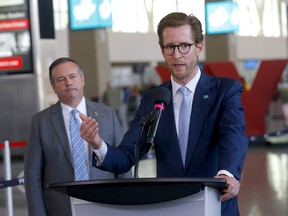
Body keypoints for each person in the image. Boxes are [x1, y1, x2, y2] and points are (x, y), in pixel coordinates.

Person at [80, 12, 248, 216]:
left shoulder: (225, 91)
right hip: (171, 207)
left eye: (184, 45)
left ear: (199, 47)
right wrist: (98, 144)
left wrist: (227, 174)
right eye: (170, 47)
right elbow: (127, 155)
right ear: (162, 50)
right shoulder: (153, 99)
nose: (177, 55)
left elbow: (233, 135)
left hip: (216, 203)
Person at [24, 57, 131, 216]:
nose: (68, 82)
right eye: (61, 79)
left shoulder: (107, 115)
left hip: (106, 206)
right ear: (53, 87)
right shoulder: (40, 123)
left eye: (73, 76)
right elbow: (33, 176)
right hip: (61, 209)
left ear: (82, 79)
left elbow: (123, 164)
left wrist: (128, 207)